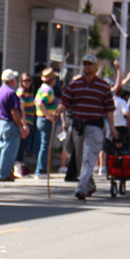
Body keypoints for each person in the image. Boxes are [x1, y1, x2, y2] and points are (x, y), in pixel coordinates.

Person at [56, 54, 117, 200]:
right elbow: (64, 102)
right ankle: (89, 185)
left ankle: (81, 189)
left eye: (90, 64)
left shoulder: (103, 86)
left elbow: (109, 109)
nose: (87, 67)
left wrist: (112, 128)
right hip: (77, 126)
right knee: (77, 158)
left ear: (96, 67)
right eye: (84, 64)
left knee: (89, 158)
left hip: (95, 127)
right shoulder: (75, 84)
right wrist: (56, 113)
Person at [0, 69, 28, 182]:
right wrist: (21, 126)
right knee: (9, 150)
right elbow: (14, 112)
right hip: (10, 123)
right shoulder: (11, 93)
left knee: (1, 148)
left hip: (0, 122)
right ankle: (4, 174)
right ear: (12, 80)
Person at [34, 67, 60, 179]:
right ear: (52, 80)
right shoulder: (47, 91)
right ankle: (40, 170)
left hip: (41, 119)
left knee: (44, 145)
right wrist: (48, 116)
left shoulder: (41, 89)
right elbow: (40, 103)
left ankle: (42, 169)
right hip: (45, 120)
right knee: (45, 146)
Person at [14, 71, 37, 174]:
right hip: (25, 122)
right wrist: (24, 124)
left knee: (24, 146)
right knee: (20, 146)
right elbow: (21, 109)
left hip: (31, 121)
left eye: (28, 80)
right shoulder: (21, 92)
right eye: (24, 81)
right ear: (21, 82)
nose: (26, 82)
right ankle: (16, 167)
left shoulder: (30, 92)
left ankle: (19, 166)